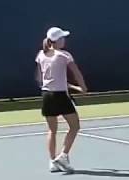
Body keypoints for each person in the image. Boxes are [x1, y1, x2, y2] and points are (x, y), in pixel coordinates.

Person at [35, 27, 88, 173]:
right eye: (62, 38)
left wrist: (72, 87)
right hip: (60, 96)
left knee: (52, 130)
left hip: (46, 95)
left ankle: (53, 162)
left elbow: (41, 78)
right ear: (57, 41)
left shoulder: (40, 55)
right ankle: (63, 156)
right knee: (75, 126)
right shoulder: (65, 55)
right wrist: (83, 86)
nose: (64, 40)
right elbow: (76, 73)